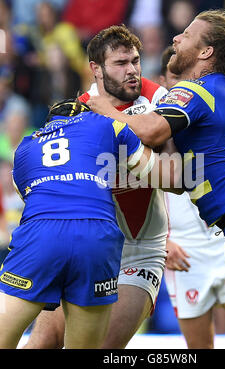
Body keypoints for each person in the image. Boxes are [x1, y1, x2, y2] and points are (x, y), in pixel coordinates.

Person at [87, 10, 225, 349]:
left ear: (205, 52)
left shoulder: (198, 90)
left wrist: (105, 109)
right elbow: (175, 175)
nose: (176, 38)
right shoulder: (213, 89)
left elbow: (153, 129)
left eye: (185, 35)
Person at [24, 25, 169, 349]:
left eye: (135, 60)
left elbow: (174, 161)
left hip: (141, 250)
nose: (131, 70)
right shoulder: (78, 110)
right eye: (120, 63)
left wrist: (107, 114)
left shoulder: (157, 97)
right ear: (96, 69)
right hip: (89, 245)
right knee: (42, 340)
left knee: (103, 348)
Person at [0, 98, 179, 349]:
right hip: (97, 234)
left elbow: (26, 195)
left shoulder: (25, 146)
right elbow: (169, 179)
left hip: (41, 234)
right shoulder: (107, 125)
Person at [159, 45, 225, 348]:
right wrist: (162, 241)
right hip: (184, 251)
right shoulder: (151, 132)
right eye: (174, 77)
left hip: (224, 241)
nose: (180, 84)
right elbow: (139, 193)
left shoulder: (214, 115)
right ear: (162, 82)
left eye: (184, 76)